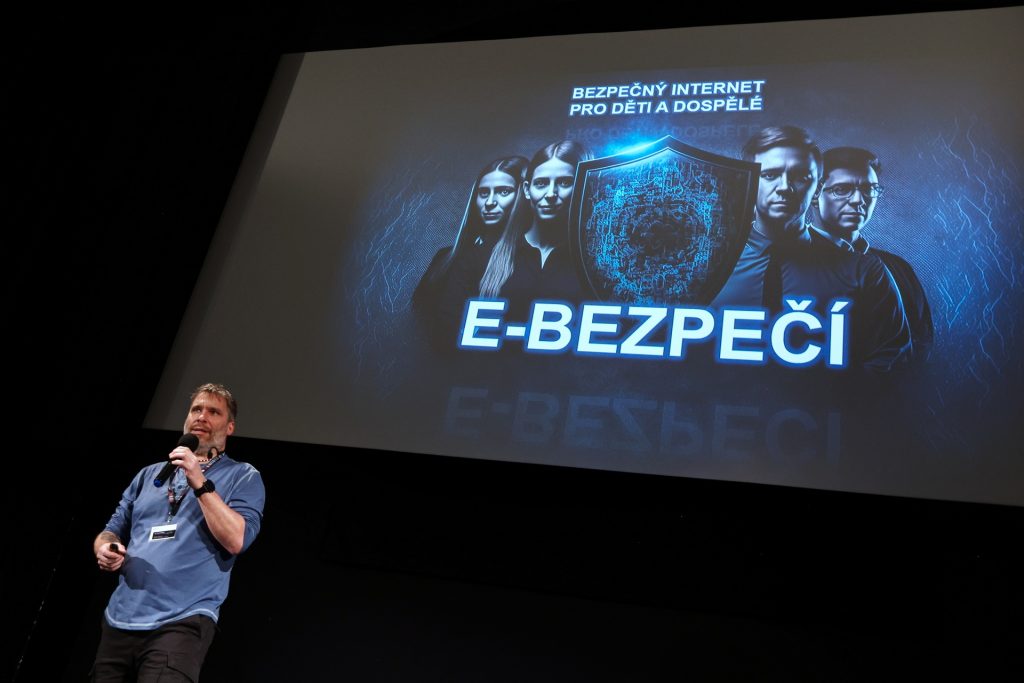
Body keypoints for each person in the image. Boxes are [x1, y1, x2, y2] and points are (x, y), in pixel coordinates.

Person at [91, 383, 265, 682]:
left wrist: (199, 481)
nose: (202, 416)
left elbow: (237, 540)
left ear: (230, 426)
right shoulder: (148, 475)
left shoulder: (243, 476)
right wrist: (105, 548)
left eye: (214, 412)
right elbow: (111, 530)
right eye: (196, 409)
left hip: (182, 620)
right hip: (120, 618)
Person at [712, 126, 911, 371]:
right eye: (770, 175)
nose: (784, 187)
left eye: (800, 176)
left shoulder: (863, 272)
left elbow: (895, 365)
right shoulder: (704, 263)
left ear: (817, 188)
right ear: (748, 182)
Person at [814, 146, 933, 361]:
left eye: (869, 189)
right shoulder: (783, 261)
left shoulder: (899, 269)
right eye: (842, 189)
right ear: (814, 194)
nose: (858, 200)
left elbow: (920, 347)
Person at [413, 156, 529, 348]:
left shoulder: (533, 262)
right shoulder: (445, 258)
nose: (490, 202)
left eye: (504, 191)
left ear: (524, 195)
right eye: (483, 193)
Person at [483, 140, 589, 320]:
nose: (551, 194)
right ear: (526, 189)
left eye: (565, 182)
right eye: (541, 183)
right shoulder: (482, 256)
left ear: (583, 185)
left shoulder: (597, 263)